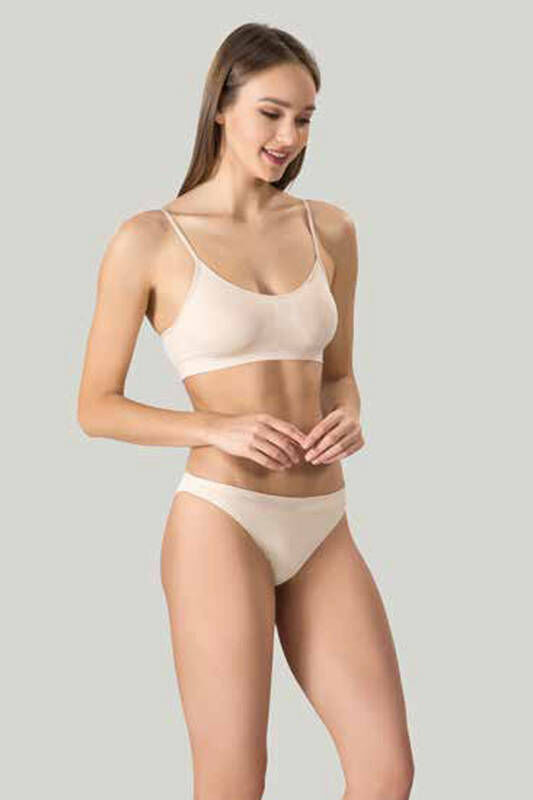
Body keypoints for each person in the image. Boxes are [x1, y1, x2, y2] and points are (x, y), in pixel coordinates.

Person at [77, 22, 414, 800]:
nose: (288, 136)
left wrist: (350, 412)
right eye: (270, 113)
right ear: (221, 107)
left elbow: (339, 375)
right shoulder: (149, 240)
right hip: (221, 519)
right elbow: (95, 407)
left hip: (323, 520)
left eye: (304, 118)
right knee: (233, 780)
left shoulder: (329, 228)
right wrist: (213, 427)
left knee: (385, 770)